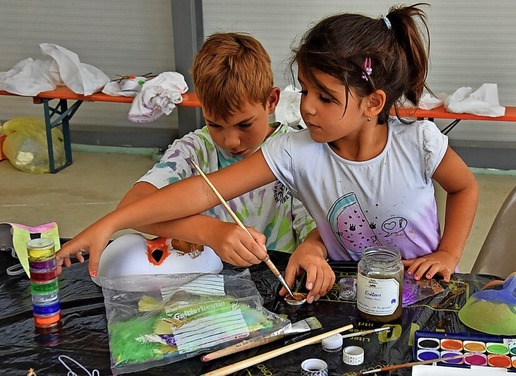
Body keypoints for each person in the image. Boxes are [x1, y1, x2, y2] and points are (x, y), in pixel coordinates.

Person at [57, 4, 478, 304]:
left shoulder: (418, 140)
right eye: (306, 89)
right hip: (344, 295)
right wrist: (111, 222)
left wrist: (449, 254)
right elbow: (204, 192)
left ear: (373, 103)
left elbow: (464, 188)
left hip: (426, 293)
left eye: (326, 97)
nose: (307, 106)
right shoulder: (294, 150)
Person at [107, 32, 316, 268]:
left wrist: (312, 251)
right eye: (215, 124)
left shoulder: (293, 150)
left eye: (244, 124)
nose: (230, 141)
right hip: (208, 281)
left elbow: (315, 225)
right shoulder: (194, 151)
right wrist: (212, 232)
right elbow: (129, 210)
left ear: (271, 101)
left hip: (276, 276)